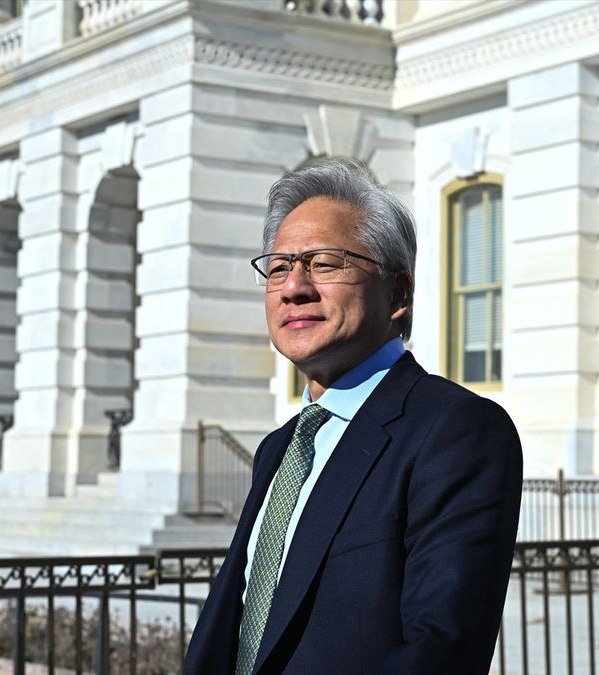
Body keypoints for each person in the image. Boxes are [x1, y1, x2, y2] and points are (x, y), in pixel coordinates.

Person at [183, 158, 523, 674]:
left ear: (398, 293)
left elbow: (440, 651)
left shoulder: (456, 431)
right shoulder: (278, 448)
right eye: (279, 267)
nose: (294, 287)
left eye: (324, 263)